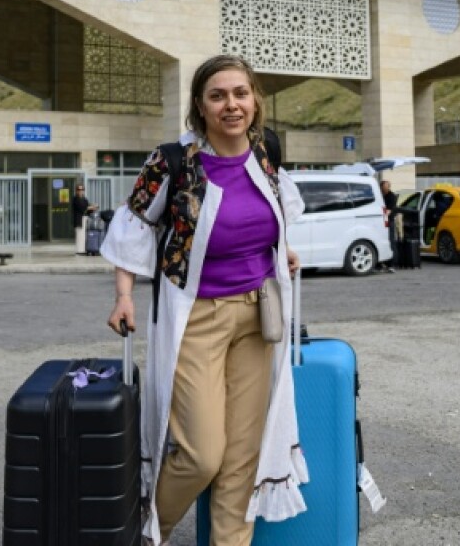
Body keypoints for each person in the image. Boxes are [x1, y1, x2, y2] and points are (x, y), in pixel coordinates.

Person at [103, 54, 308, 545]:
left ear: (255, 99)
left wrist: (283, 249)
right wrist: (124, 295)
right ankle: (147, 534)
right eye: (218, 96)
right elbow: (135, 223)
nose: (231, 105)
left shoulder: (267, 151)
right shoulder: (173, 160)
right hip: (195, 315)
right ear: (200, 105)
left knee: (242, 455)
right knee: (201, 453)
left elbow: (273, 208)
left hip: (259, 314)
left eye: (240, 93)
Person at [376, 178, 397, 273]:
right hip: (380, 222)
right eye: (383, 187)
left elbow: (389, 210)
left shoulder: (391, 196)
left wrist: (382, 215)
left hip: (389, 222)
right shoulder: (379, 195)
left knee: (390, 242)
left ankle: (392, 264)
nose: (385, 189)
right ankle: (381, 264)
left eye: (386, 187)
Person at [72, 183, 96, 255]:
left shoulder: (84, 199)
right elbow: (82, 208)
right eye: (79, 190)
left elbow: (87, 207)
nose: (80, 191)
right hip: (78, 219)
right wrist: (90, 207)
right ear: (76, 191)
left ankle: (83, 249)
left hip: (85, 218)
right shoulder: (75, 199)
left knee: (84, 236)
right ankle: (79, 250)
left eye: (82, 189)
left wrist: (93, 207)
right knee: (79, 235)